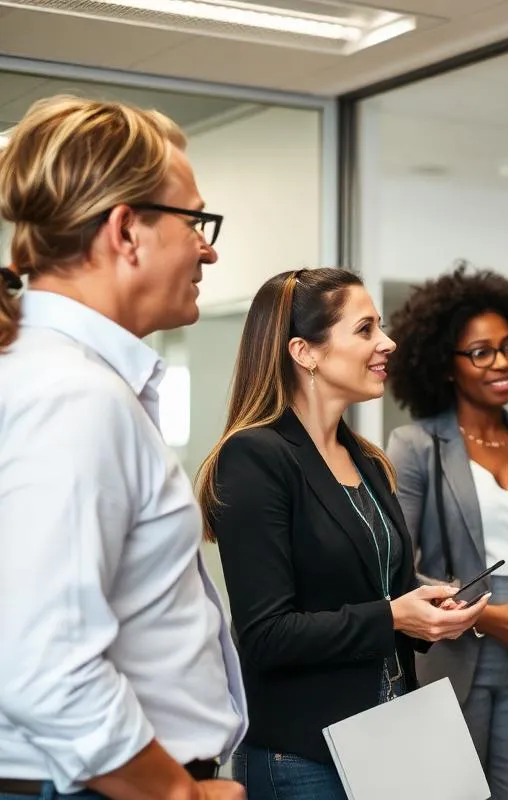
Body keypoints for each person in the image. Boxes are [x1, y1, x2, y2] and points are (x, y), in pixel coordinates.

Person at [0, 96, 247, 799]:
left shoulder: (60, 378)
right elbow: (43, 664)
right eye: (194, 220)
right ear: (126, 231)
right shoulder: (70, 396)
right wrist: (178, 791)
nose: (209, 247)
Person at [195, 267, 488, 800]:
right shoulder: (255, 457)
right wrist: (395, 614)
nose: (387, 343)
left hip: (388, 738)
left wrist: (423, 611)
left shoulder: (368, 463)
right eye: (366, 329)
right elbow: (265, 636)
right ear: (305, 352)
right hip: (303, 754)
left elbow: (371, 589)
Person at [383, 263, 508, 800]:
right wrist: (487, 617)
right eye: (481, 352)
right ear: (445, 365)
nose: (503, 363)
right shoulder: (415, 444)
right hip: (456, 643)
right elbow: (395, 564)